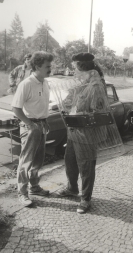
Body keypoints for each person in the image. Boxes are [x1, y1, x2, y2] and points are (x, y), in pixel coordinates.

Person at [56, 52, 110, 214]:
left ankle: (86, 198)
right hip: (74, 130)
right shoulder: (81, 83)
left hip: (86, 133)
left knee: (86, 166)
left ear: (82, 68)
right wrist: (64, 104)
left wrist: (80, 110)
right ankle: (72, 188)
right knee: (70, 161)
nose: (73, 71)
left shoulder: (96, 86)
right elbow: (70, 100)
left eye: (75, 67)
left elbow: (98, 110)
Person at [11, 51, 54, 207]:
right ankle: (22, 193)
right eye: (47, 66)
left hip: (42, 125)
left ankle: (34, 187)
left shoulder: (45, 82)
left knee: (38, 160)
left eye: (50, 65)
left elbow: (41, 104)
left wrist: (44, 120)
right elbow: (16, 108)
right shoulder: (26, 84)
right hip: (30, 126)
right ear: (36, 66)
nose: (50, 68)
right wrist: (30, 124)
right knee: (26, 161)